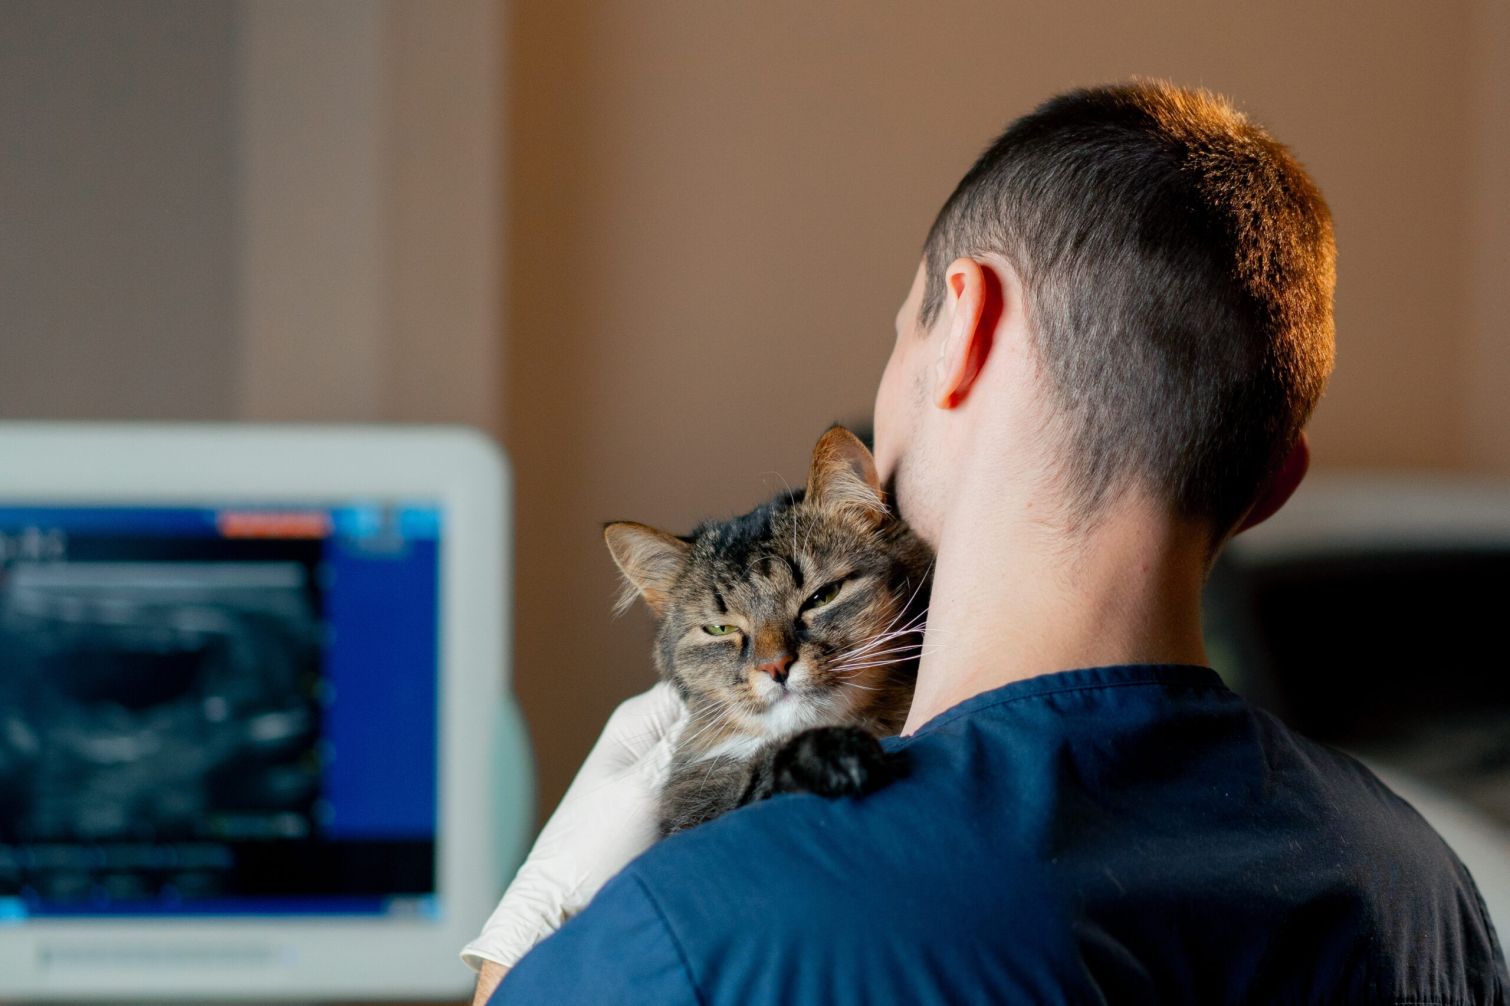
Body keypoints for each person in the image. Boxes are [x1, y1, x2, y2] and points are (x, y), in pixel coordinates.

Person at [463, 80, 1508, 1004]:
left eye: (899, 331)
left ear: (963, 330)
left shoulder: (697, 924)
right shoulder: (1425, 889)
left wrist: (520, 954)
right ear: (1271, 486)